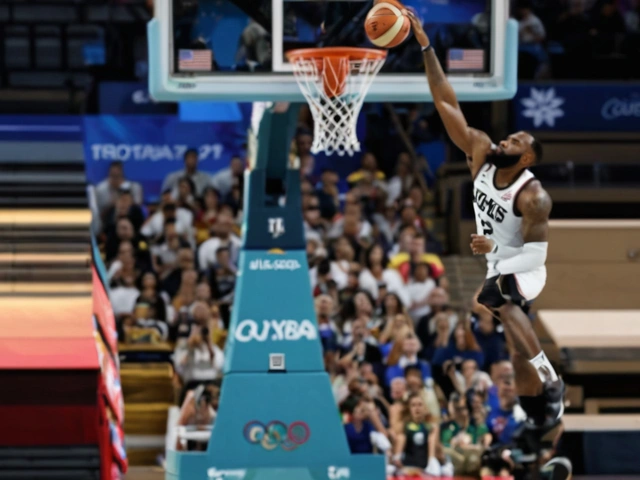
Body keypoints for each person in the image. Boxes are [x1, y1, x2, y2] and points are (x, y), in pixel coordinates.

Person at [406, 11, 564, 425]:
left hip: (526, 266)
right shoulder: (479, 151)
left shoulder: (534, 198)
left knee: (495, 297)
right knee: (514, 350)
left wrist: (495, 247)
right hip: (498, 263)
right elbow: (445, 101)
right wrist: (425, 46)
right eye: (508, 136)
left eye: (514, 141)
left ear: (525, 157)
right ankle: (539, 415)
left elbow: (534, 257)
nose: (505, 140)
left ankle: (552, 379)